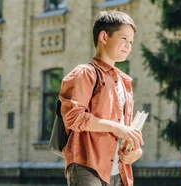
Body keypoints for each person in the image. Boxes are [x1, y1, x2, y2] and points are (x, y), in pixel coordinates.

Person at [59, 10, 143, 186]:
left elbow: (125, 129)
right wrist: (119, 128)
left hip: (119, 171)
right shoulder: (85, 73)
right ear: (104, 37)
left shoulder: (124, 81)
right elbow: (74, 117)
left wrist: (135, 152)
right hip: (87, 166)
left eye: (131, 42)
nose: (129, 45)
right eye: (124, 39)